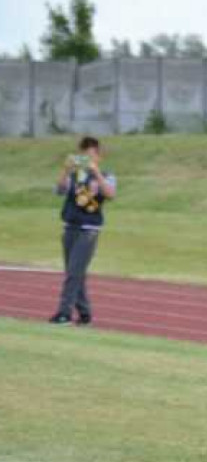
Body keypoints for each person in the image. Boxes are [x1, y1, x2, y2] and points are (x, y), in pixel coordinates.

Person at [50, 136, 117, 326]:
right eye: (83, 155)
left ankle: (64, 313)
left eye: (91, 155)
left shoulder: (106, 175)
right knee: (75, 273)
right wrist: (65, 169)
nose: (87, 159)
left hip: (89, 230)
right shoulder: (74, 176)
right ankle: (85, 313)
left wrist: (96, 174)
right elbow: (60, 190)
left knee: (73, 272)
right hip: (70, 227)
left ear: (98, 156)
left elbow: (111, 194)